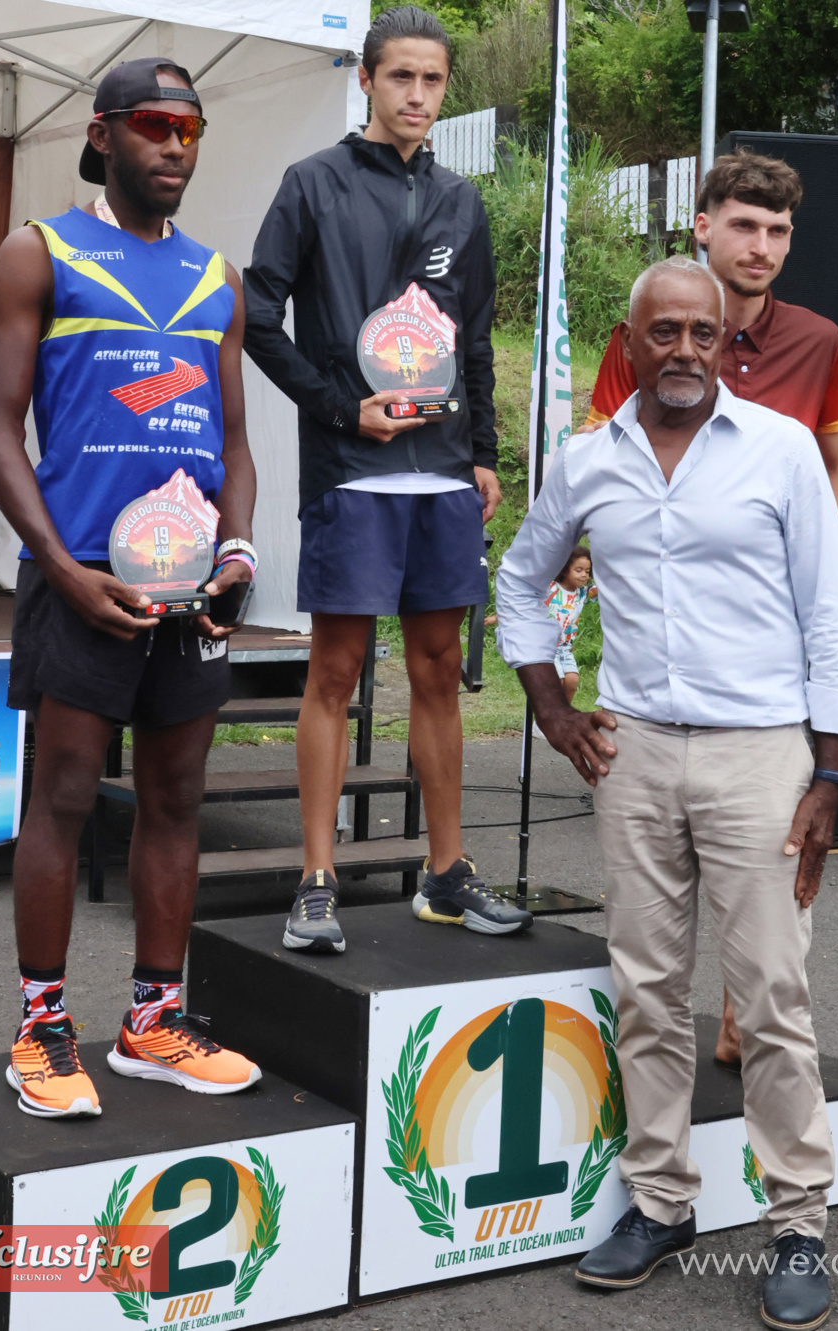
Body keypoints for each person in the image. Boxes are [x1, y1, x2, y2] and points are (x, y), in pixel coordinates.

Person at [496, 257, 838, 1330]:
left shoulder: (783, 450)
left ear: (723, 342)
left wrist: (832, 771)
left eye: (703, 335)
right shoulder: (586, 461)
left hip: (764, 753)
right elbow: (521, 578)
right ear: (630, 341)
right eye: (663, 333)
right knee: (646, 991)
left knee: (770, 999)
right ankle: (661, 1200)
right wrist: (552, 706)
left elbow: (830, 617)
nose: (684, 352)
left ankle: (798, 1217)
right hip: (637, 752)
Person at [0, 58, 261, 1118]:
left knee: (176, 796)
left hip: (189, 592)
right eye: (152, 125)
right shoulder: (39, 251)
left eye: (189, 127)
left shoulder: (214, 276)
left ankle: (151, 1020)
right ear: (103, 137)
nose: (175, 144)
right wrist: (57, 565)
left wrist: (237, 553)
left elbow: (236, 442)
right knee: (60, 798)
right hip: (82, 575)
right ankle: (42, 1027)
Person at [242, 5, 530, 955]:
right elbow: (258, 316)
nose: (417, 95)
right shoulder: (312, 183)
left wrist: (483, 453)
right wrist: (337, 407)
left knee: (440, 672)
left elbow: (477, 337)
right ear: (366, 80)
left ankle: (446, 874)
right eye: (400, 77)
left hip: (441, 475)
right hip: (352, 470)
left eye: (433, 80)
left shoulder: (461, 200)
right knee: (336, 671)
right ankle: (316, 879)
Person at [583, 150, 838, 1069]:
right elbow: (601, 458)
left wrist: (824, 551)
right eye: (744, 225)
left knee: (779, 857)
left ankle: (753, 1020)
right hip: (664, 662)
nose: (762, 245)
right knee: (656, 932)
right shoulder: (655, 327)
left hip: (769, 649)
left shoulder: (818, 339)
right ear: (702, 224)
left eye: (779, 230)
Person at [546, 545, 598, 705]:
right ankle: (546, 719)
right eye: (579, 570)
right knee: (558, 682)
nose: (584, 575)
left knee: (572, 681)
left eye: (587, 571)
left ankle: (562, 715)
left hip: (565, 647)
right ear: (565, 570)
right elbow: (527, 602)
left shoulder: (582, 593)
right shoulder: (551, 588)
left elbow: (605, 588)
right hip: (546, 645)